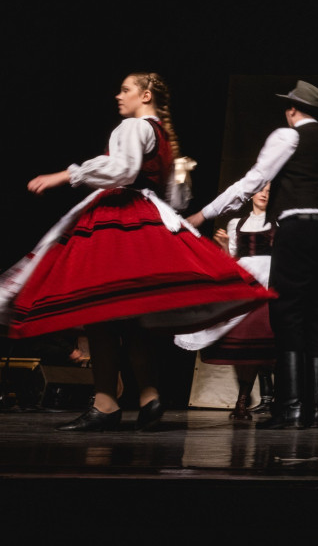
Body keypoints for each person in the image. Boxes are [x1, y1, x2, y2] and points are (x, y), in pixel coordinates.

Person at [0, 72, 274, 432]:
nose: (118, 96)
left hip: (118, 217)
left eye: (125, 89)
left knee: (100, 310)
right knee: (132, 317)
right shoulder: (163, 136)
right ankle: (148, 395)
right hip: (148, 217)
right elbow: (178, 199)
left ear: (145, 95)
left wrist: (65, 175)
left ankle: (105, 402)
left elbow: (123, 170)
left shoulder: (133, 127)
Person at [185, 79, 318, 430]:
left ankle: (290, 407)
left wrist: (204, 214)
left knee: (287, 310)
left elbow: (253, 180)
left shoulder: (287, 136)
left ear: (292, 110)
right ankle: (313, 410)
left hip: (299, 226)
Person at [174, 184, 276, 422]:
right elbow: (232, 261)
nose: (264, 194)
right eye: (260, 189)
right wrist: (223, 247)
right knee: (239, 344)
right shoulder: (236, 224)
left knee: (257, 344)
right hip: (244, 286)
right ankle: (243, 398)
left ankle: (248, 399)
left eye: (270, 191)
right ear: (251, 193)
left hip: (267, 286)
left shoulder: (277, 223)